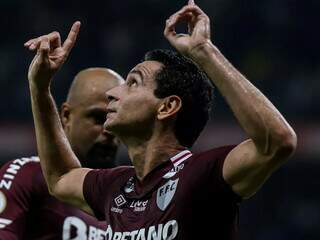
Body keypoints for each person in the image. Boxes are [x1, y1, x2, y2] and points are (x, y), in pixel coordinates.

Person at [24, 1, 297, 239]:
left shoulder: (201, 174)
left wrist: (204, 51)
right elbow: (60, 177)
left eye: (132, 83)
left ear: (167, 106)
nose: (111, 93)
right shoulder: (116, 187)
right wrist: (39, 87)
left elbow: (277, 142)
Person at [0, 67, 124, 239]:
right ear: (66, 116)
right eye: (98, 118)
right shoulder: (27, 176)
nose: (108, 129)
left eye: (116, 118)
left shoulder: (131, 194)